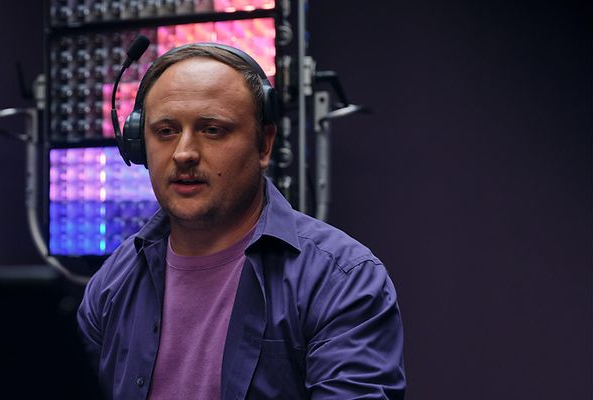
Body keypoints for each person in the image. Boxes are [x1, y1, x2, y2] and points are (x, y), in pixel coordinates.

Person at [76, 43, 406, 399]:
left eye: (212, 130)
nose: (184, 153)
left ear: (264, 145)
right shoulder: (114, 281)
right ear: (139, 145)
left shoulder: (340, 279)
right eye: (166, 131)